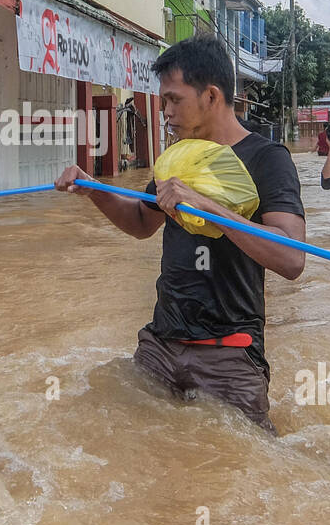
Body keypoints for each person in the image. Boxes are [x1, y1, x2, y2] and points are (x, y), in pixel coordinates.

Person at [56, 35, 306, 432]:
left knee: (242, 472)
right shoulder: (174, 157)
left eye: (175, 100)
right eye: (164, 102)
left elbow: (292, 259)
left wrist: (210, 206)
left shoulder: (267, 159)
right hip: (159, 345)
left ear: (210, 96)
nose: (166, 113)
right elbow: (141, 223)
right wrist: (96, 191)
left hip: (229, 356)